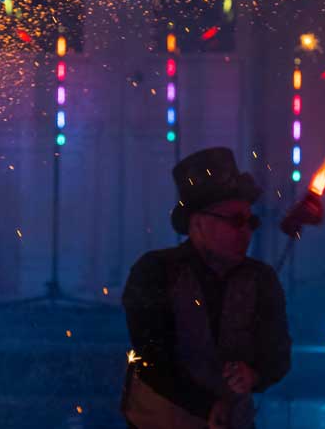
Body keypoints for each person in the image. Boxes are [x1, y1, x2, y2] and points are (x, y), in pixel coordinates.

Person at [121, 147, 291, 429]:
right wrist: (204, 405)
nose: (246, 232)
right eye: (235, 221)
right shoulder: (154, 272)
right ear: (198, 224)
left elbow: (279, 355)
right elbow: (151, 360)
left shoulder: (261, 279)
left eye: (251, 222)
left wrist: (255, 374)